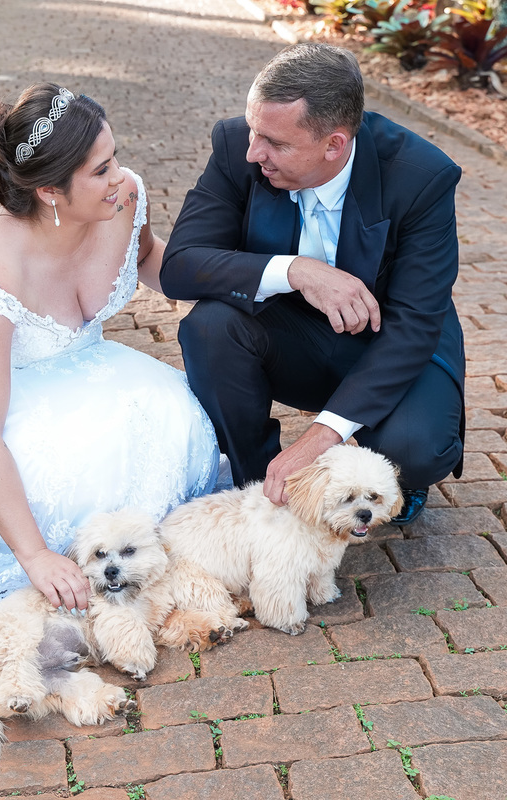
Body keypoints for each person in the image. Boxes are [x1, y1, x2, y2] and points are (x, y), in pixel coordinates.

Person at [0, 83, 220, 611]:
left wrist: (248, 283)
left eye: (114, 156)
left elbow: (149, 262)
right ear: (50, 192)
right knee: (72, 472)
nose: (118, 177)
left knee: (171, 416)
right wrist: (33, 555)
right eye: (99, 171)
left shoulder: (124, 196)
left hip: (81, 361)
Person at [160, 43, 465, 526]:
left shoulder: (422, 178)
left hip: (390, 343)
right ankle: (261, 489)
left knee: (417, 448)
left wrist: (324, 434)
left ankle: (394, 478)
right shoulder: (238, 148)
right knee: (210, 326)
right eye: (255, 130)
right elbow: (180, 266)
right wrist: (297, 270)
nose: (253, 152)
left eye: (276, 143)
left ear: (334, 145)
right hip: (287, 336)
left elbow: (415, 324)